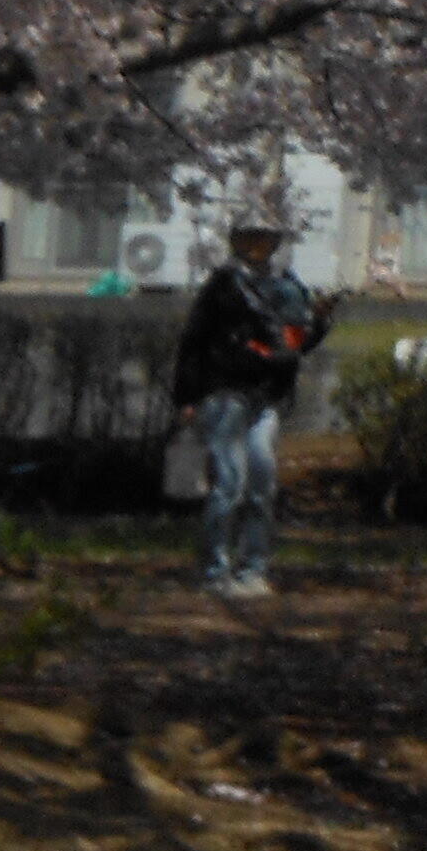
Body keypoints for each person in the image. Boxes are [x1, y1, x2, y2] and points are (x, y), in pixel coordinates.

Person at [169, 213, 330, 598]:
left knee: (261, 482)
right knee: (229, 482)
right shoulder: (224, 285)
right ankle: (214, 570)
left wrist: (320, 323)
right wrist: (188, 397)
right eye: (251, 238)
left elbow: (295, 343)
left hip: (267, 397)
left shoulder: (289, 286)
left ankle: (253, 567)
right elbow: (193, 343)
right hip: (225, 392)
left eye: (266, 238)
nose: (259, 246)